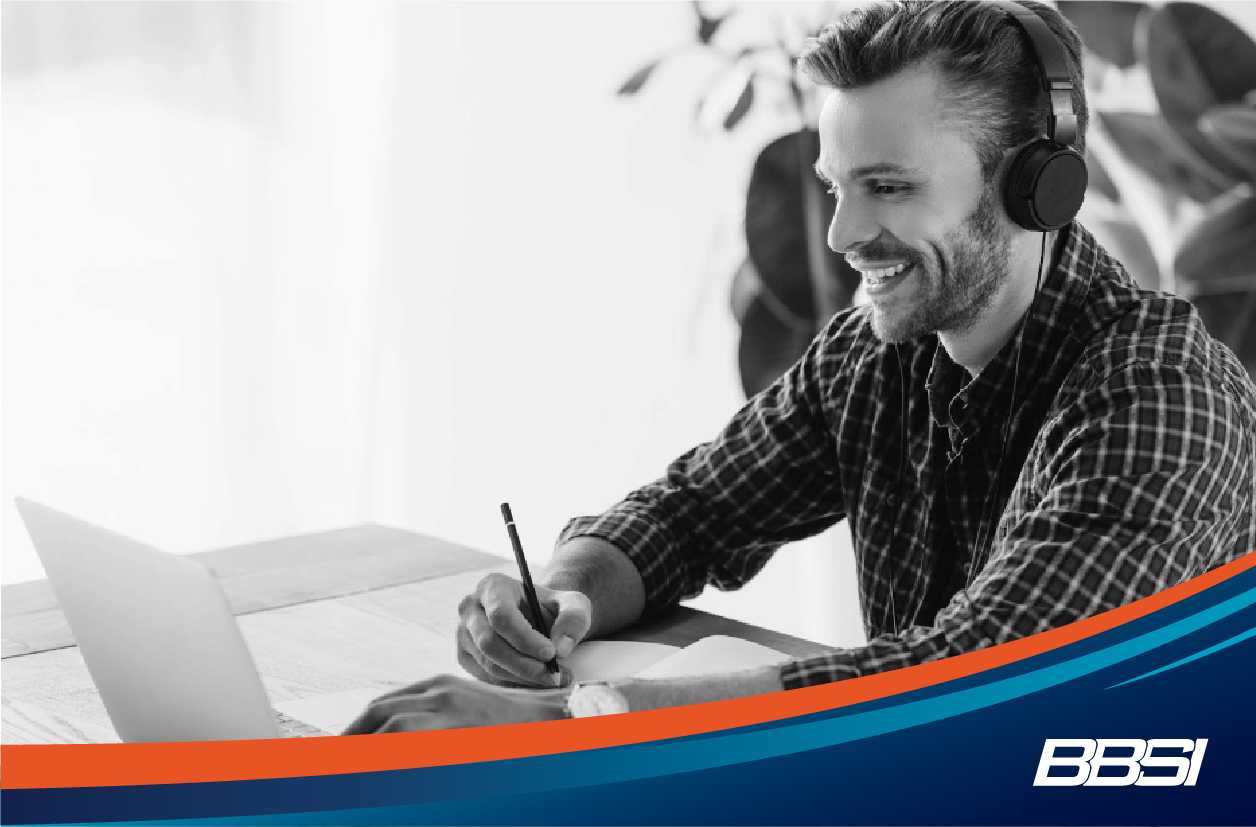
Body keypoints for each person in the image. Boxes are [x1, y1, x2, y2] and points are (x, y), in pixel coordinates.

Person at [344, 0, 1256, 735]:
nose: (843, 235)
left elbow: (980, 680)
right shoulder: (876, 352)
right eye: (837, 186)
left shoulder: (1162, 396)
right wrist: (563, 596)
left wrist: (566, 720)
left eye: (890, 186)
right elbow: (693, 513)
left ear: (1038, 188)